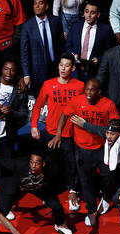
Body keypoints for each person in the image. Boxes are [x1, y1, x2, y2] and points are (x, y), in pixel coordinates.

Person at [0, 149, 74, 234]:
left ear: (43, 164)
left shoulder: (52, 170)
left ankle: (60, 225)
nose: (33, 166)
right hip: (16, 187)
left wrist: (72, 191)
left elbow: (66, 176)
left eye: (37, 163)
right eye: (31, 162)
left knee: (57, 206)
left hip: (38, 188)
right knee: (1, 213)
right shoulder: (19, 164)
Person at [56, 78, 120, 226]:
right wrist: (59, 133)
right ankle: (91, 211)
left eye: (92, 90)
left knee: (108, 176)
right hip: (82, 149)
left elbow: (116, 127)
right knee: (86, 182)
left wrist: (88, 126)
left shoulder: (108, 104)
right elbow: (64, 115)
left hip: (102, 148)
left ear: (99, 92)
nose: (89, 93)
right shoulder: (77, 101)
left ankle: (105, 198)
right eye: (87, 90)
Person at [31, 54, 84, 212]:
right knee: (50, 166)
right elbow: (38, 105)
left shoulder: (80, 86)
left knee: (72, 165)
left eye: (67, 65)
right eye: (61, 65)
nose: (63, 68)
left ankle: (73, 191)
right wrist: (34, 125)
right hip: (51, 132)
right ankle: (49, 195)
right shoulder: (48, 85)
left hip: (71, 133)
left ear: (73, 68)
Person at [20, 0, 65, 95]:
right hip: (37, 73)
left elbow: (61, 45)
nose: (37, 6)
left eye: (40, 3)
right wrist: (26, 75)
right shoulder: (27, 26)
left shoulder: (56, 21)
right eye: (35, 3)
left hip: (55, 69)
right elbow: (24, 53)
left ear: (47, 6)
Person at [67, 1, 113, 81]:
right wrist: (73, 56)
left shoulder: (105, 30)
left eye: (92, 13)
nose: (88, 15)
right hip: (76, 72)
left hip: (95, 73)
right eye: (86, 11)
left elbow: (109, 51)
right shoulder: (75, 27)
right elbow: (68, 46)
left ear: (98, 15)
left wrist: (99, 59)